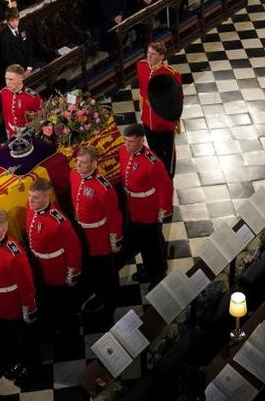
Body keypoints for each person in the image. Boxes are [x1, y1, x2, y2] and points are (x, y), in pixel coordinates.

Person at [0, 208, 40, 386]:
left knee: (24, 339)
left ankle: (32, 370)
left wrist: (29, 308)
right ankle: (17, 363)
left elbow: (26, 285)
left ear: (4, 230)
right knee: (8, 337)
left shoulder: (14, 254)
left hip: (13, 303)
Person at [25, 178, 83, 337]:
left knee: (63, 302)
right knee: (49, 299)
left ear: (47, 197)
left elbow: (74, 249)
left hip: (56, 267)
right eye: (30, 196)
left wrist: (72, 273)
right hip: (39, 264)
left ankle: (71, 332)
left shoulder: (59, 221)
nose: (31, 200)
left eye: (35, 197)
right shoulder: (30, 209)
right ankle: (54, 325)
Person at [70, 145, 123, 314]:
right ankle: (99, 295)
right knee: (92, 269)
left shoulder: (103, 188)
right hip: (82, 232)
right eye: (78, 162)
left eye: (83, 163)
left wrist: (115, 238)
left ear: (94, 164)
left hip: (99, 235)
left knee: (105, 270)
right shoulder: (74, 175)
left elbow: (114, 216)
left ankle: (111, 300)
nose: (79, 166)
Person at [119, 124, 172, 286]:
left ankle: (158, 272)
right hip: (133, 206)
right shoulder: (123, 151)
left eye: (131, 142)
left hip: (149, 208)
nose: (127, 145)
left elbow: (165, 187)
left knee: (153, 242)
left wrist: (163, 210)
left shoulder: (152, 162)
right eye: (126, 141)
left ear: (142, 140)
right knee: (142, 241)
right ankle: (149, 268)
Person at [137, 41, 183, 176]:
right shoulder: (141, 66)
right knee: (154, 149)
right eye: (148, 52)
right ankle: (158, 171)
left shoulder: (171, 74)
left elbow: (178, 98)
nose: (149, 56)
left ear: (161, 56)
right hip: (147, 118)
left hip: (163, 121)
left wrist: (173, 117)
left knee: (168, 151)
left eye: (153, 54)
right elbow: (142, 89)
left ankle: (169, 174)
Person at [1, 64, 42, 138]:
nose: (7, 82)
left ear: (21, 79)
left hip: (29, 134)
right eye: (6, 78)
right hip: (12, 133)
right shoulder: (4, 92)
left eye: (11, 79)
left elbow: (40, 118)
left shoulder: (32, 97)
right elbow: (5, 113)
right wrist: (8, 131)